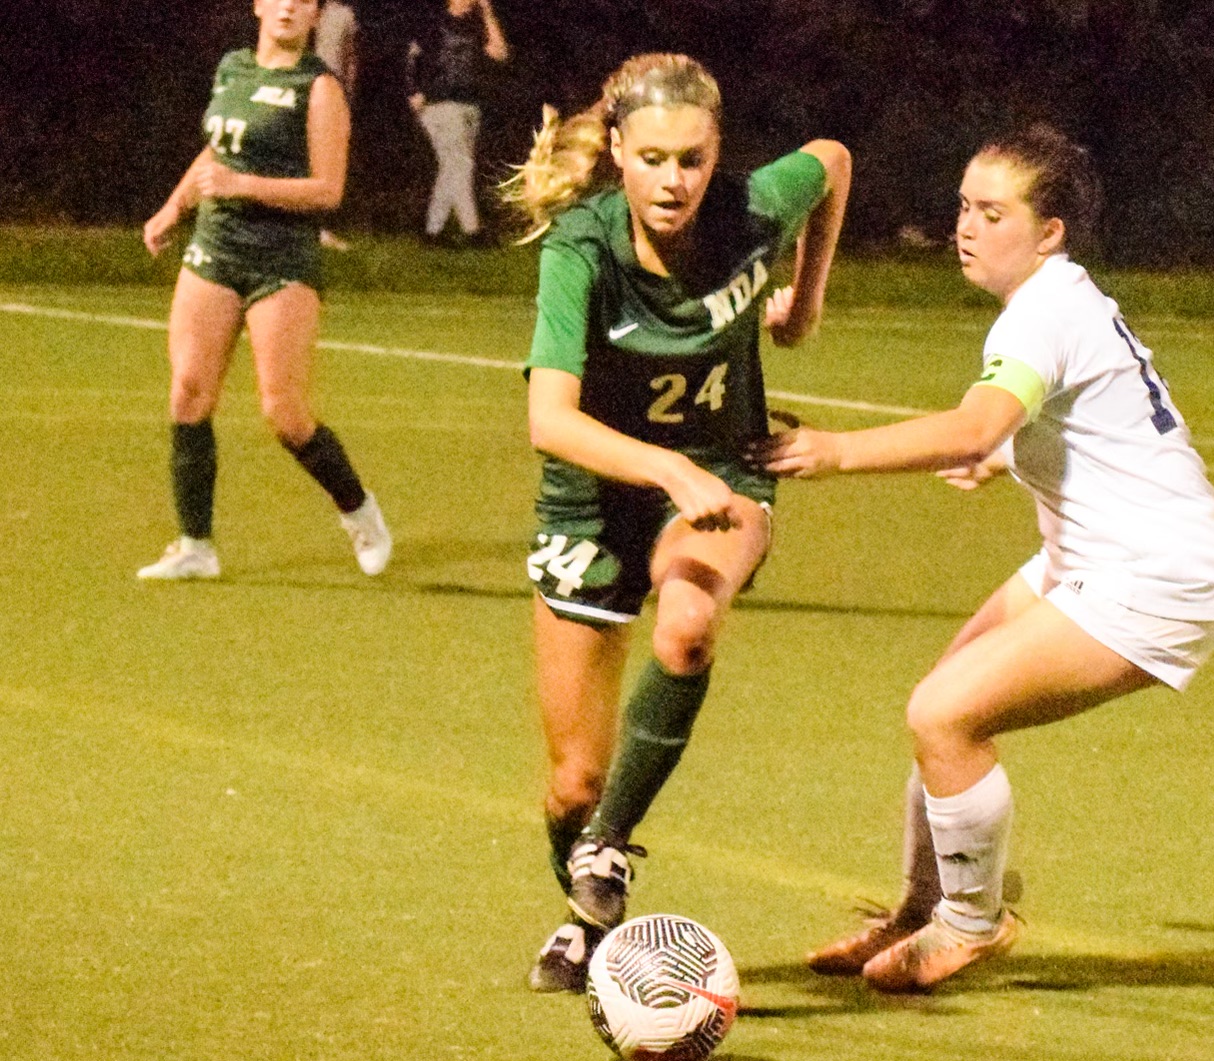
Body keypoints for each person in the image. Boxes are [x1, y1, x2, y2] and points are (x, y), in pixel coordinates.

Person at [752, 124, 1214, 992]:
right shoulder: (1061, 298)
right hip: (1098, 555)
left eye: (992, 212)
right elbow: (1091, 421)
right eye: (962, 207)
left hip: (1156, 575)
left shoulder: (1046, 309)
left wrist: (835, 452)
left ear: (1049, 231)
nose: (965, 228)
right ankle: (920, 909)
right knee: (945, 707)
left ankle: (971, 925)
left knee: (945, 714)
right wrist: (1007, 455)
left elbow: (977, 419)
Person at [500, 52, 851, 992]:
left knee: (688, 625)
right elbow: (550, 420)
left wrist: (805, 302)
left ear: (717, 152)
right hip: (594, 494)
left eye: (692, 159)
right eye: (652, 158)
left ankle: (609, 849)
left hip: (727, 474)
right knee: (572, 783)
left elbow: (834, 159)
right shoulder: (582, 247)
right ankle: (588, 923)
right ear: (616, 149)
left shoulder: (753, 208)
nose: (674, 181)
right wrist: (662, 464)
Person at [139, 0, 392, 582]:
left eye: (304, 1)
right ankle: (195, 545)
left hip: (280, 258)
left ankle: (359, 511)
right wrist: (174, 206)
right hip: (214, 248)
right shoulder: (232, 68)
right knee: (188, 394)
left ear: (313, 16)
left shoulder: (320, 87)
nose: (288, 8)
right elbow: (215, 150)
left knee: (285, 414)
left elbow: (328, 190)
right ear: (258, 6)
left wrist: (242, 184)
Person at [406, 0, 509, 245]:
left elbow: (500, 53)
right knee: (460, 165)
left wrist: (487, 12)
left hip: (471, 104)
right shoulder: (434, 23)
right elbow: (413, 59)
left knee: (451, 169)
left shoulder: (479, 24)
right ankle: (473, 231)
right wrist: (413, 91)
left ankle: (433, 232)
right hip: (439, 103)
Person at [312, 0, 357, 251]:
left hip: (333, 84)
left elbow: (350, 54)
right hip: (308, 81)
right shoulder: (310, 9)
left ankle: (321, 227)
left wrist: (348, 91)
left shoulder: (345, 14)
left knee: (328, 157)